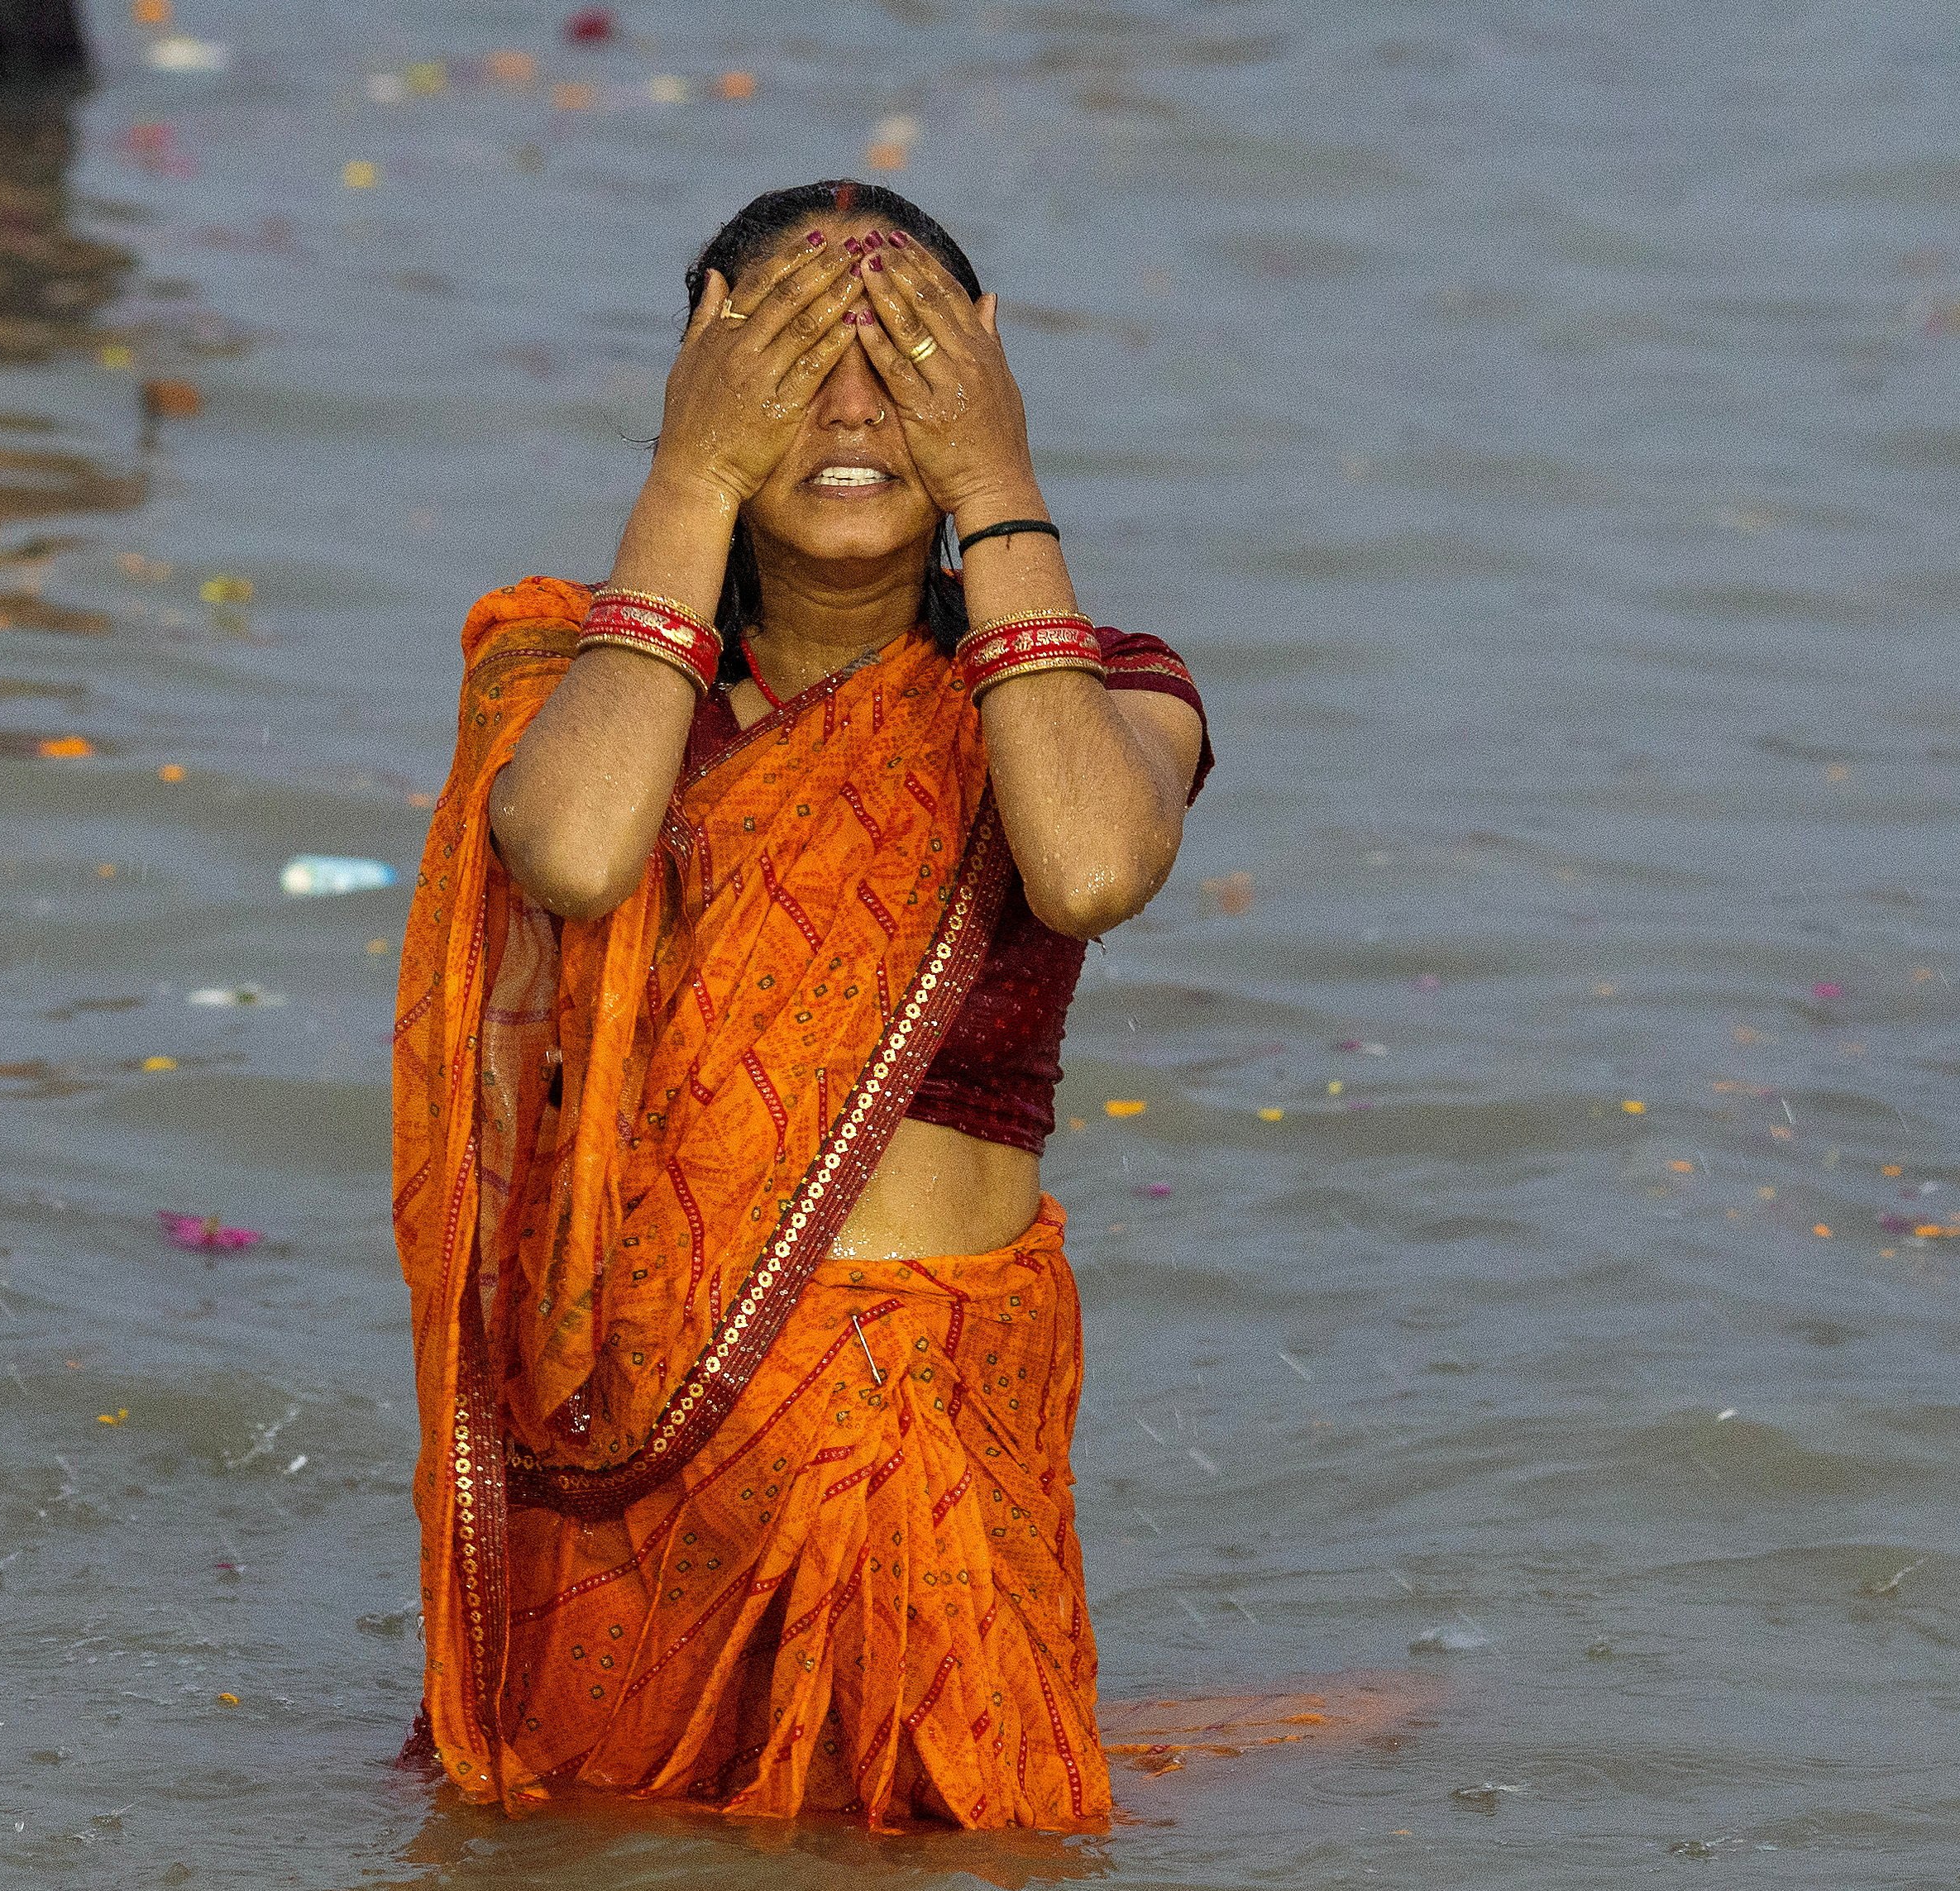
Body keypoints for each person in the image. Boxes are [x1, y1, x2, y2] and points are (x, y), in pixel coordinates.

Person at [390, 179, 1210, 1831]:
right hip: (638, 1489)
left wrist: (1000, 483)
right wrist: (686, 481)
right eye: (786, 364)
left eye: (901, 364)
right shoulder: (580, 684)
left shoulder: (1093, 684)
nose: (848, 414)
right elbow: (569, 844)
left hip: (925, 1455)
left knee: (978, 1847)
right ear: (701, 386)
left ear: (981, 385)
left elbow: (1095, 870)